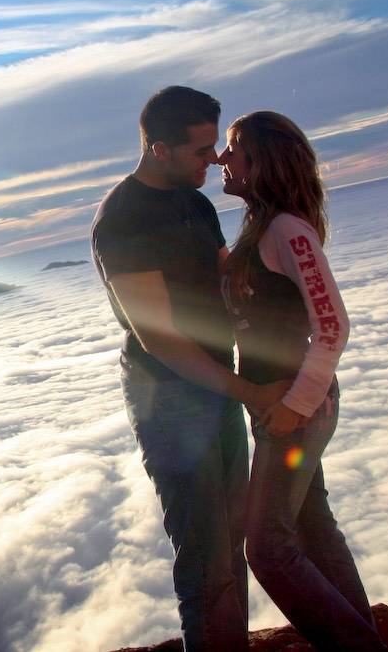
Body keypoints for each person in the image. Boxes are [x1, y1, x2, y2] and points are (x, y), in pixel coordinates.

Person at [91, 86, 289, 652]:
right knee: (205, 553)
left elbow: (225, 278)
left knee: (231, 541)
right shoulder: (123, 219)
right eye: (203, 150)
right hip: (170, 398)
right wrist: (252, 392)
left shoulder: (194, 201)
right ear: (159, 149)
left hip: (217, 383)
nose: (216, 158)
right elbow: (159, 339)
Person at [217, 111, 387, 651]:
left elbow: (332, 324)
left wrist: (296, 404)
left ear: (263, 159)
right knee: (314, 527)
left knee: (267, 548)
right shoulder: (263, 229)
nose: (222, 158)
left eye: (234, 148)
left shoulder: (287, 230)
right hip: (285, 409)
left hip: (297, 410)